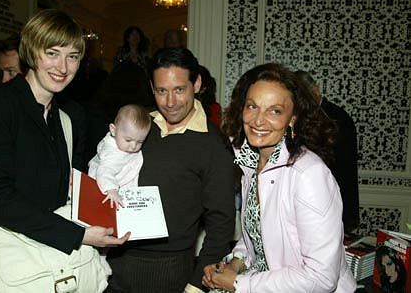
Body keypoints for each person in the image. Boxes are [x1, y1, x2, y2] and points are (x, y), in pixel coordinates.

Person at [0, 9, 129, 291]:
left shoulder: (66, 117)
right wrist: (80, 236)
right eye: (52, 53)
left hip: (54, 265)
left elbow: (63, 191)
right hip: (14, 265)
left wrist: (112, 196)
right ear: (31, 52)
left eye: (73, 56)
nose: (63, 67)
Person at [202, 63, 356, 292]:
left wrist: (237, 283)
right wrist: (232, 266)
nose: (258, 120)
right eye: (252, 106)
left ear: (292, 119)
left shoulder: (309, 175)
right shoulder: (250, 163)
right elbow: (257, 236)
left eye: (274, 111)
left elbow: (322, 278)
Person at [108, 47, 236, 293]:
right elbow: (106, 162)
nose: (170, 102)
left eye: (179, 90)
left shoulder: (213, 143)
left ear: (196, 83)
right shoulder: (138, 125)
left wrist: (197, 283)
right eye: (161, 91)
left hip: (170, 272)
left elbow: (221, 223)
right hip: (114, 265)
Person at [295, 70, 360, 233]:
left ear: (315, 90)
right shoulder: (311, 115)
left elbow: (340, 167)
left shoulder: (335, 118)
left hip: (331, 198)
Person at [88, 104, 151, 208]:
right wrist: (111, 190)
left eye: (140, 141)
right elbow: (104, 171)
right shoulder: (112, 153)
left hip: (125, 188)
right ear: (113, 130)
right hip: (105, 188)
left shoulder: (125, 144)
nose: (133, 146)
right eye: (128, 140)